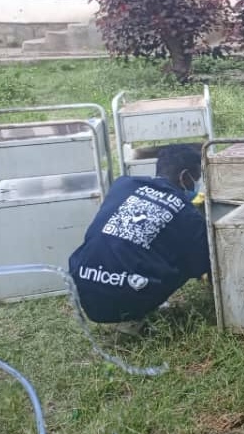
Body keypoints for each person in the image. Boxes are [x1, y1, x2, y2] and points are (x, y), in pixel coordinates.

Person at [69, 143, 210, 334]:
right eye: (197, 178)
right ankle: (134, 315)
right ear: (184, 177)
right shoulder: (187, 214)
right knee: (189, 256)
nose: (197, 184)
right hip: (128, 297)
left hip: (83, 286)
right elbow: (201, 263)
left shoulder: (123, 184)